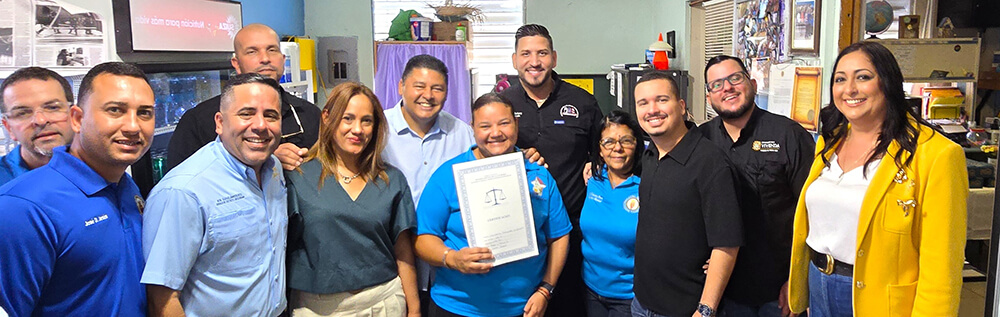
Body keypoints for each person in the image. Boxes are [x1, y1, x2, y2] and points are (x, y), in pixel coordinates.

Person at [788, 41, 968, 317]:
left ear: (887, 82)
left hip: (879, 301)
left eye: (863, 77)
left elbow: (942, 266)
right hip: (819, 284)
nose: (849, 89)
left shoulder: (936, 155)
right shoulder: (830, 140)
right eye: (840, 79)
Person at [0, 62, 156, 316]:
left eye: (145, 113)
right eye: (115, 110)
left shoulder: (124, 184)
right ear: (77, 118)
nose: (133, 126)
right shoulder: (22, 207)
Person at [142, 73, 288, 317]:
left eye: (270, 115)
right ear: (219, 122)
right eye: (246, 113)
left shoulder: (274, 169)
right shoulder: (183, 192)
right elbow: (162, 300)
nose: (260, 125)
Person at [415, 93, 571, 317]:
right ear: (473, 128)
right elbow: (423, 238)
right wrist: (452, 259)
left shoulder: (538, 174)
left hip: (524, 308)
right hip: (456, 307)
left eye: (504, 123)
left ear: (516, 124)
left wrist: (545, 289)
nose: (495, 133)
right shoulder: (447, 175)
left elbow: (558, 235)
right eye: (485, 126)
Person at [285, 81, 419, 316]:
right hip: (318, 308)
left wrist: (415, 309)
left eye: (366, 120)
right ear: (327, 117)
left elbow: (403, 250)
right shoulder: (298, 176)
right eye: (348, 118)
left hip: (383, 301)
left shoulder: (390, 180)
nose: (357, 129)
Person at [698, 55, 815, 317]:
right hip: (722, 290)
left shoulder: (789, 135)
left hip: (777, 291)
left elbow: (812, 212)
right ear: (709, 97)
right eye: (716, 84)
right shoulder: (700, 140)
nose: (726, 88)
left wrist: (797, 281)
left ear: (752, 83)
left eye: (734, 78)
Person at [499, 24, 602, 316]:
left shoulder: (583, 102)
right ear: (514, 60)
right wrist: (517, 155)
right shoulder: (502, 105)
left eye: (542, 53)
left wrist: (593, 162)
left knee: (571, 306)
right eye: (526, 54)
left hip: (574, 230)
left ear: (554, 58)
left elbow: (605, 152)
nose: (534, 61)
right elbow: (484, 156)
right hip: (519, 232)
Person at [630, 71, 742, 317]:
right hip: (641, 303)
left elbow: (726, 245)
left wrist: (705, 310)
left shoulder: (710, 163)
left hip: (686, 309)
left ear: (681, 106)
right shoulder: (649, 156)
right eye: (643, 103)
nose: (652, 110)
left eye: (661, 100)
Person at [381, 54, 476, 314]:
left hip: (447, 269)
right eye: (419, 86)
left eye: (437, 88)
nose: (428, 95)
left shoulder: (462, 134)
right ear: (401, 86)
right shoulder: (378, 129)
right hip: (390, 264)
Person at [167, 23, 320, 170]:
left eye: (272, 50)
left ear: (283, 59)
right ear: (236, 63)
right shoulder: (198, 120)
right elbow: (186, 178)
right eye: (252, 51)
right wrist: (267, 161)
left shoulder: (309, 114)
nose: (265, 58)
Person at [580, 110, 644, 317]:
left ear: (637, 145)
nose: (617, 148)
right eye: (608, 141)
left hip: (629, 296)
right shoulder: (593, 180)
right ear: (599, 149)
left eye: (626, 140)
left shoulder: (646, 186)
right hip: (590, 288)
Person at [0, 66, 75, 186]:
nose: (41, 120)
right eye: (22, 113)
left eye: (52, 108)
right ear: (9, 128)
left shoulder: (107, 169)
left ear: (75, 115)